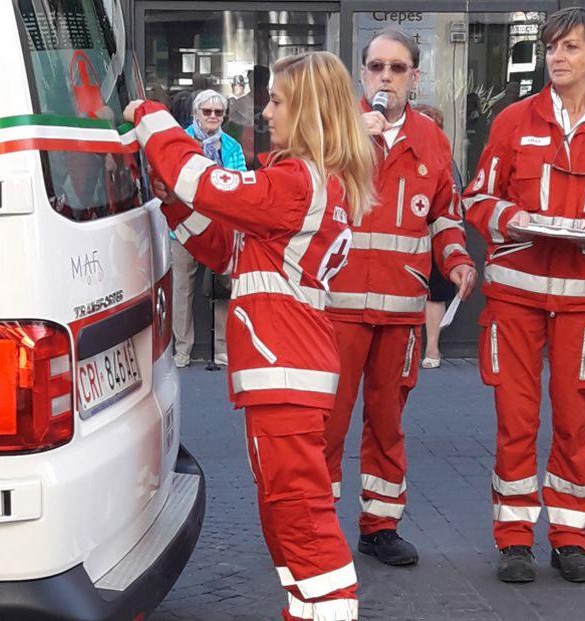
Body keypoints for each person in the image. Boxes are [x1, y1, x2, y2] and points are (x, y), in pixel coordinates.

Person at [124, 50, 375, 620]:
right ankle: (307, 609)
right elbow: (230, 249)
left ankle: (330, 610)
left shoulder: (296, 182)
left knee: (301, 514)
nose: (264, 112)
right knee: (286, 513)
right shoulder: (315, 185)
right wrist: (170, 204)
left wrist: (152, 117)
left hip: (285, 373)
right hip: (288, 372)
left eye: (277, 101)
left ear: (308, 111)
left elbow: (204, 180)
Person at [463, 7, 585, 583]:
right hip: (515, 298)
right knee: (515, 419)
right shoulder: (512, 120)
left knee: (574, 422)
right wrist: (513, 219)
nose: (557, 57)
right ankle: (515, 539)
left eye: (571, 48)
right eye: (552, 46)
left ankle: (570, 538)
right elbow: (477, 197)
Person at [323, 28, 476, 567]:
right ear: (362, 73)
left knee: (387, 423)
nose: (385, 77)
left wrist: (456, 260)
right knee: (326, 424)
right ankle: (316, 529)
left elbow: (444, 216)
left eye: (397, 67)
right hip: (336, 309)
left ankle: (379, 526)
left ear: (414, 75)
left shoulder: (431, 139)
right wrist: (346, 142)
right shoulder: (335, 130)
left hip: (401, 311)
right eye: (375, 67)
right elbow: (304, 196)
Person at [170, 89, 247, 367]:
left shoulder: (232, 147)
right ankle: (182, 349)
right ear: (195, 114)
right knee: (182, 289)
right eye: (207, 112)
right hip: (184, 227)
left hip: (220, 227)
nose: (213, 116)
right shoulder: (179, 142)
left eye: (218, 112)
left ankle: (221, 348)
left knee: (222, 289)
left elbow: (239, 185)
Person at [411, 103, 465, 368]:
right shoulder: (403, 153)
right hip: (407, 237)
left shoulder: (444, 160)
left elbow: (452, 201)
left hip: (436, 234)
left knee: (435, 292)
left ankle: (432, 348)